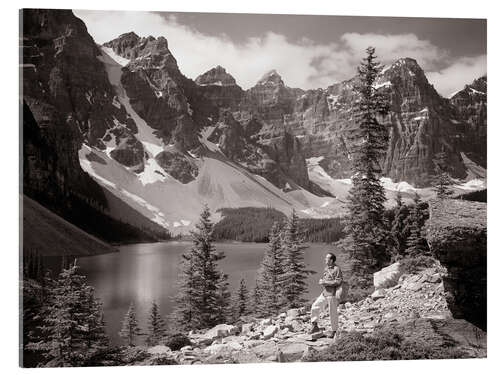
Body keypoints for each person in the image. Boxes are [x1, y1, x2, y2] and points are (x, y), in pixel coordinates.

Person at [309, 252, 343, 339]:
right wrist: (322, 281)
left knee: (332, 313)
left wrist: (325, 282)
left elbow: (338, 281)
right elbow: (326, 278)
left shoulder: (337, 269)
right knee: (315, 306)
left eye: (327, 258)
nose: (325, 259)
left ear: (331, 260)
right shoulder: (326, 268)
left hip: (332, 294)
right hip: (325, 293)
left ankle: (334, 331)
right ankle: (315, 326)